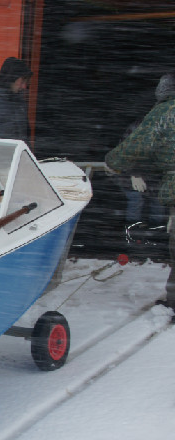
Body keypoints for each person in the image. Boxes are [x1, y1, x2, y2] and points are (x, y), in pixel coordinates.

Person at [105, 72, 175, 319]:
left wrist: (113, 163)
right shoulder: (147, 121)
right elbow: (132, 149)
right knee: (137, 205)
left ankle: (153, 247)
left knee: (157, 213)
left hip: (160, 183)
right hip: (141, 180)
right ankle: (135, 241)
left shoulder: (163, 116)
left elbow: (133, 149)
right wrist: (134, 174)